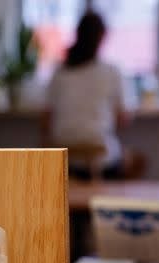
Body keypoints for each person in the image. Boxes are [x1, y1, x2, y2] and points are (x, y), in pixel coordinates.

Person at [47, 11, 145, 179]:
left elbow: (46, 119)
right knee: (137, 160)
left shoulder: (59, 72)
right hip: (100, 160)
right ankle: (112, 201)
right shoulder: (111, 72)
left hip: (63, 157)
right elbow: (123, 119)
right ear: (101, 38)